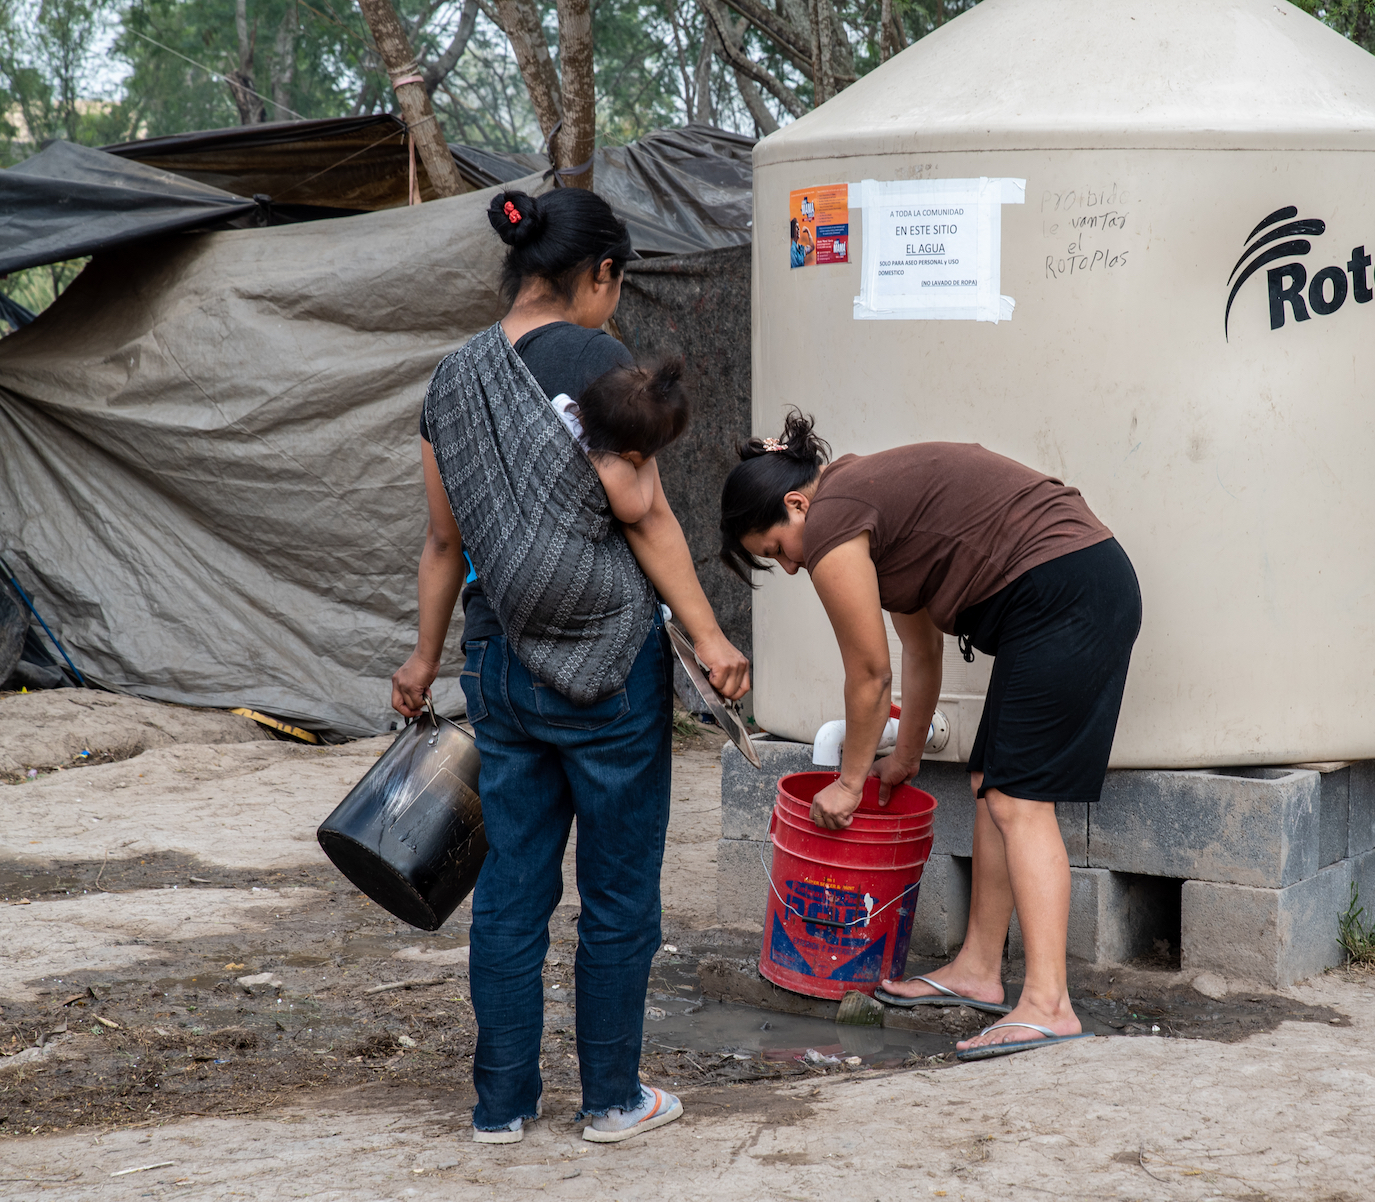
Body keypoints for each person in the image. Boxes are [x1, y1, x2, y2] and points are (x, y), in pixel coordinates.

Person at [391, 187, 748, 1145]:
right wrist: (710, 638)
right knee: (620, 889)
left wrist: (423, 661)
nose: (613, 310)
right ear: (599, 275)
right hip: (608, 668)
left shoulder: (452, 382)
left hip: (501, 662)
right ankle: (611, 1100)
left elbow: (439, 541)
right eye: (615, 289)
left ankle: (501, 1108)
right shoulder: (596, 360)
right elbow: (646, 514)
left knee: (512, 887)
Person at [717, 412, 1140, 1059]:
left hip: (1063, 592)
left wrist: (850, 782)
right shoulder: (868, 505)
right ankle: (976, 969)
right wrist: (906, 754)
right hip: (1070, 584)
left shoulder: (834, 519)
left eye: (776, 549)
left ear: (797, 503)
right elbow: (921, 652)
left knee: (1021, 801)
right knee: (991, 785)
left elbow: (867, 673)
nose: (793, 568)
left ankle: (1049, 1003)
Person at [572, 357, 689, 525]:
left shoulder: (562, 405)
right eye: (657, 452)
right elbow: (636, 510)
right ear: (629, 455)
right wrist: (646, 464)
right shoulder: (610, 465)